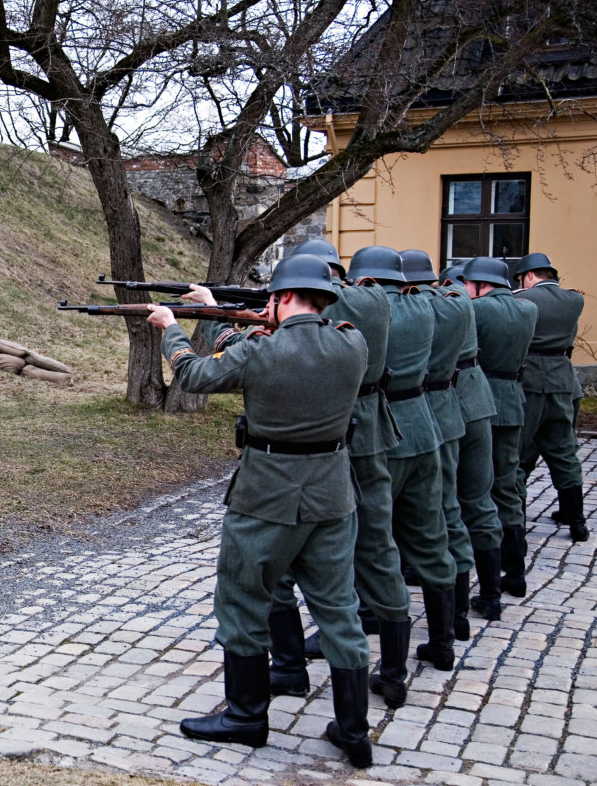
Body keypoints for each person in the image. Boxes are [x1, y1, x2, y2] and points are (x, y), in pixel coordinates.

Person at [147, 254, 373, 768]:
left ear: (284, 297)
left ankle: (246, 717)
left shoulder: (260, 351)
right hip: (332, 494)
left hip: (267, 495)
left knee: (244, 599)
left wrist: (173, 330)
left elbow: (196, 376)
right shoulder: (352, 343)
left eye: (272, 297)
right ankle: (355, 729)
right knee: (338, 607)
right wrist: (219, 311)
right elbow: (258, 347)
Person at [268, 239, 410, 711]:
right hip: (364, 434)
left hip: (335, 441)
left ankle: (291, 666)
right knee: (376, 550)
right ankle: (392, 671)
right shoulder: (369, 299)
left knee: (289, 552)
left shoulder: (355, 298)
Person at [347, 246, 458, 676]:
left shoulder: (370, 307)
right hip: (423, 427)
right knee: (430, 538)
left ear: (365, 280)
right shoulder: (426, 305)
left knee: (370, 540)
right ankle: (443, 642)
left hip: (381, 431)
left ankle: (373, 638)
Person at [401, 250, 478, 642]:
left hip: (410, 408)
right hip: (444, 409)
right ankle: (456, 619)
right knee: (446, 513)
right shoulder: (454, 304)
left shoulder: (405, 309)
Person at [463, 258, 538, 597]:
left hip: (480, 402)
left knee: (476, 489)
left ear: (481, 285)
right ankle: (516, 571)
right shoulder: (527, 310)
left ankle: (485, 578)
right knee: (507, 486)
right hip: (512, 400)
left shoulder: (477, 311)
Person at [437, 263, 506, 624]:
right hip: (478, 397)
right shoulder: (469, 305)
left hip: (448, 398)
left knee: (449, 503)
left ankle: (458, 612)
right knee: (479, 500)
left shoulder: (438, 304)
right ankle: (491, 596)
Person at [513, 253, 589, 542]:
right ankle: (577, 521)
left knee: (517, 455)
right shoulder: (574, 300)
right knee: (564, 452)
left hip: (529, 380)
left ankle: (515, 523)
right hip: (561, 380)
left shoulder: (522, 299)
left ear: (529, 276)